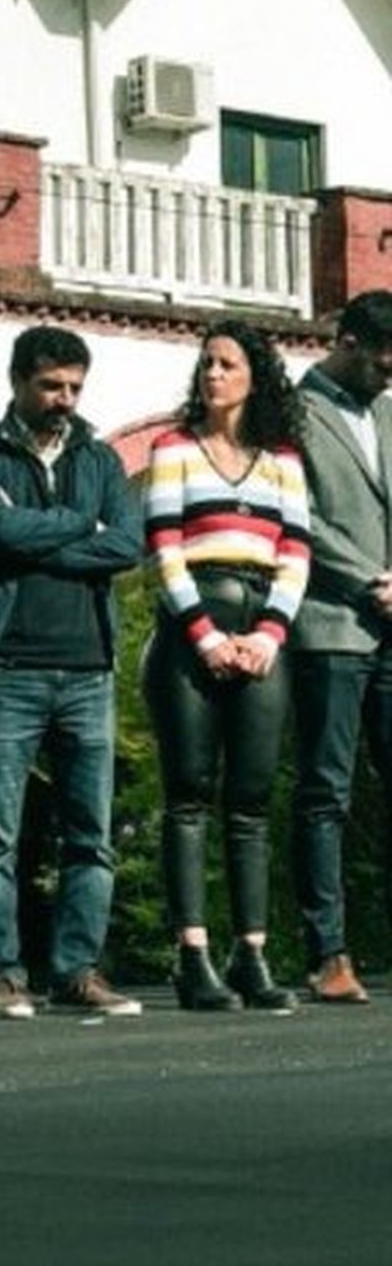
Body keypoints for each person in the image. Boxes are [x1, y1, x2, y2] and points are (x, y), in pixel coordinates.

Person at [0, 326, 144, 1019]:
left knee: (89, 834)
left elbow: (126, 543)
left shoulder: (100, 457)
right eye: (50, 386)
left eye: (74, 387)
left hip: (88, 667)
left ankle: (77, 969)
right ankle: (3, 972)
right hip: (6, 663)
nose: (64, 399)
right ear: (17, 381)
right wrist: (81, 528)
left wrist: (43, 532)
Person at [142, 319, 310, 1012]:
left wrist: (268, 634)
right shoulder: (173, 447)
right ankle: (193, 953)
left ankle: (252, 951)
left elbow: (297, 549)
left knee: (250, 801)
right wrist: (206, 635)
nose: (213, 375)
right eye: (206, 363)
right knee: (188, 792)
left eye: (228, 365)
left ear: (254, 376)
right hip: (193, 627)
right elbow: (163, 545)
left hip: (262, 626)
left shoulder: (283, 458)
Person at [291, 289, 392, 1004]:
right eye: (383, 362)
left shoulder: (390, 408)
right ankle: (328, 952)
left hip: (391, 625)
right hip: (330, 624)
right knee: (325, 791)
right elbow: (297, 516)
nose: (391, 376)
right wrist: (370, 580)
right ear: (347, 341)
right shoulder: (294, 412)